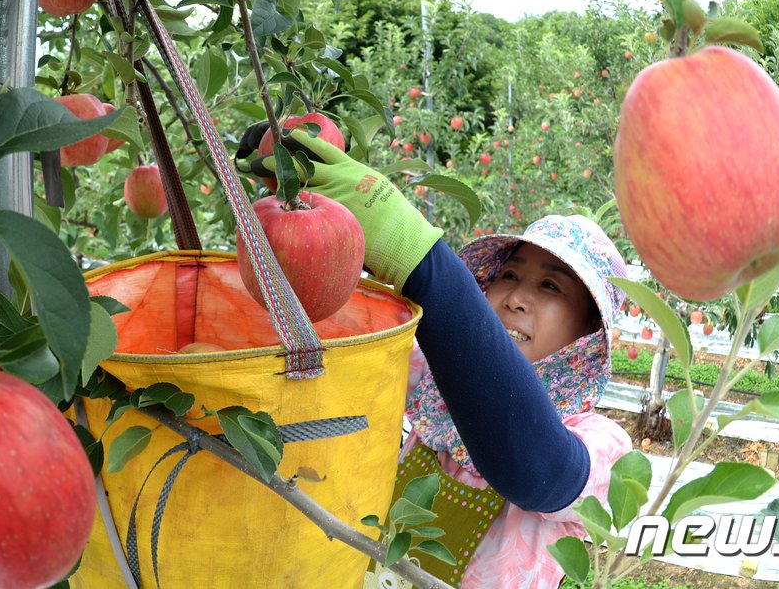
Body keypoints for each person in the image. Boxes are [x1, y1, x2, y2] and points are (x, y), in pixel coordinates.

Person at [240, 127, 631, 589]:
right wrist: (315, 227)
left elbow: (536, 471)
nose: (517, 298)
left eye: (550, 286)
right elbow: (345, 335)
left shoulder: (600, 445)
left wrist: (421, 260)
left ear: (588, 334)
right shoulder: (435, 380)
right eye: (508, 275)